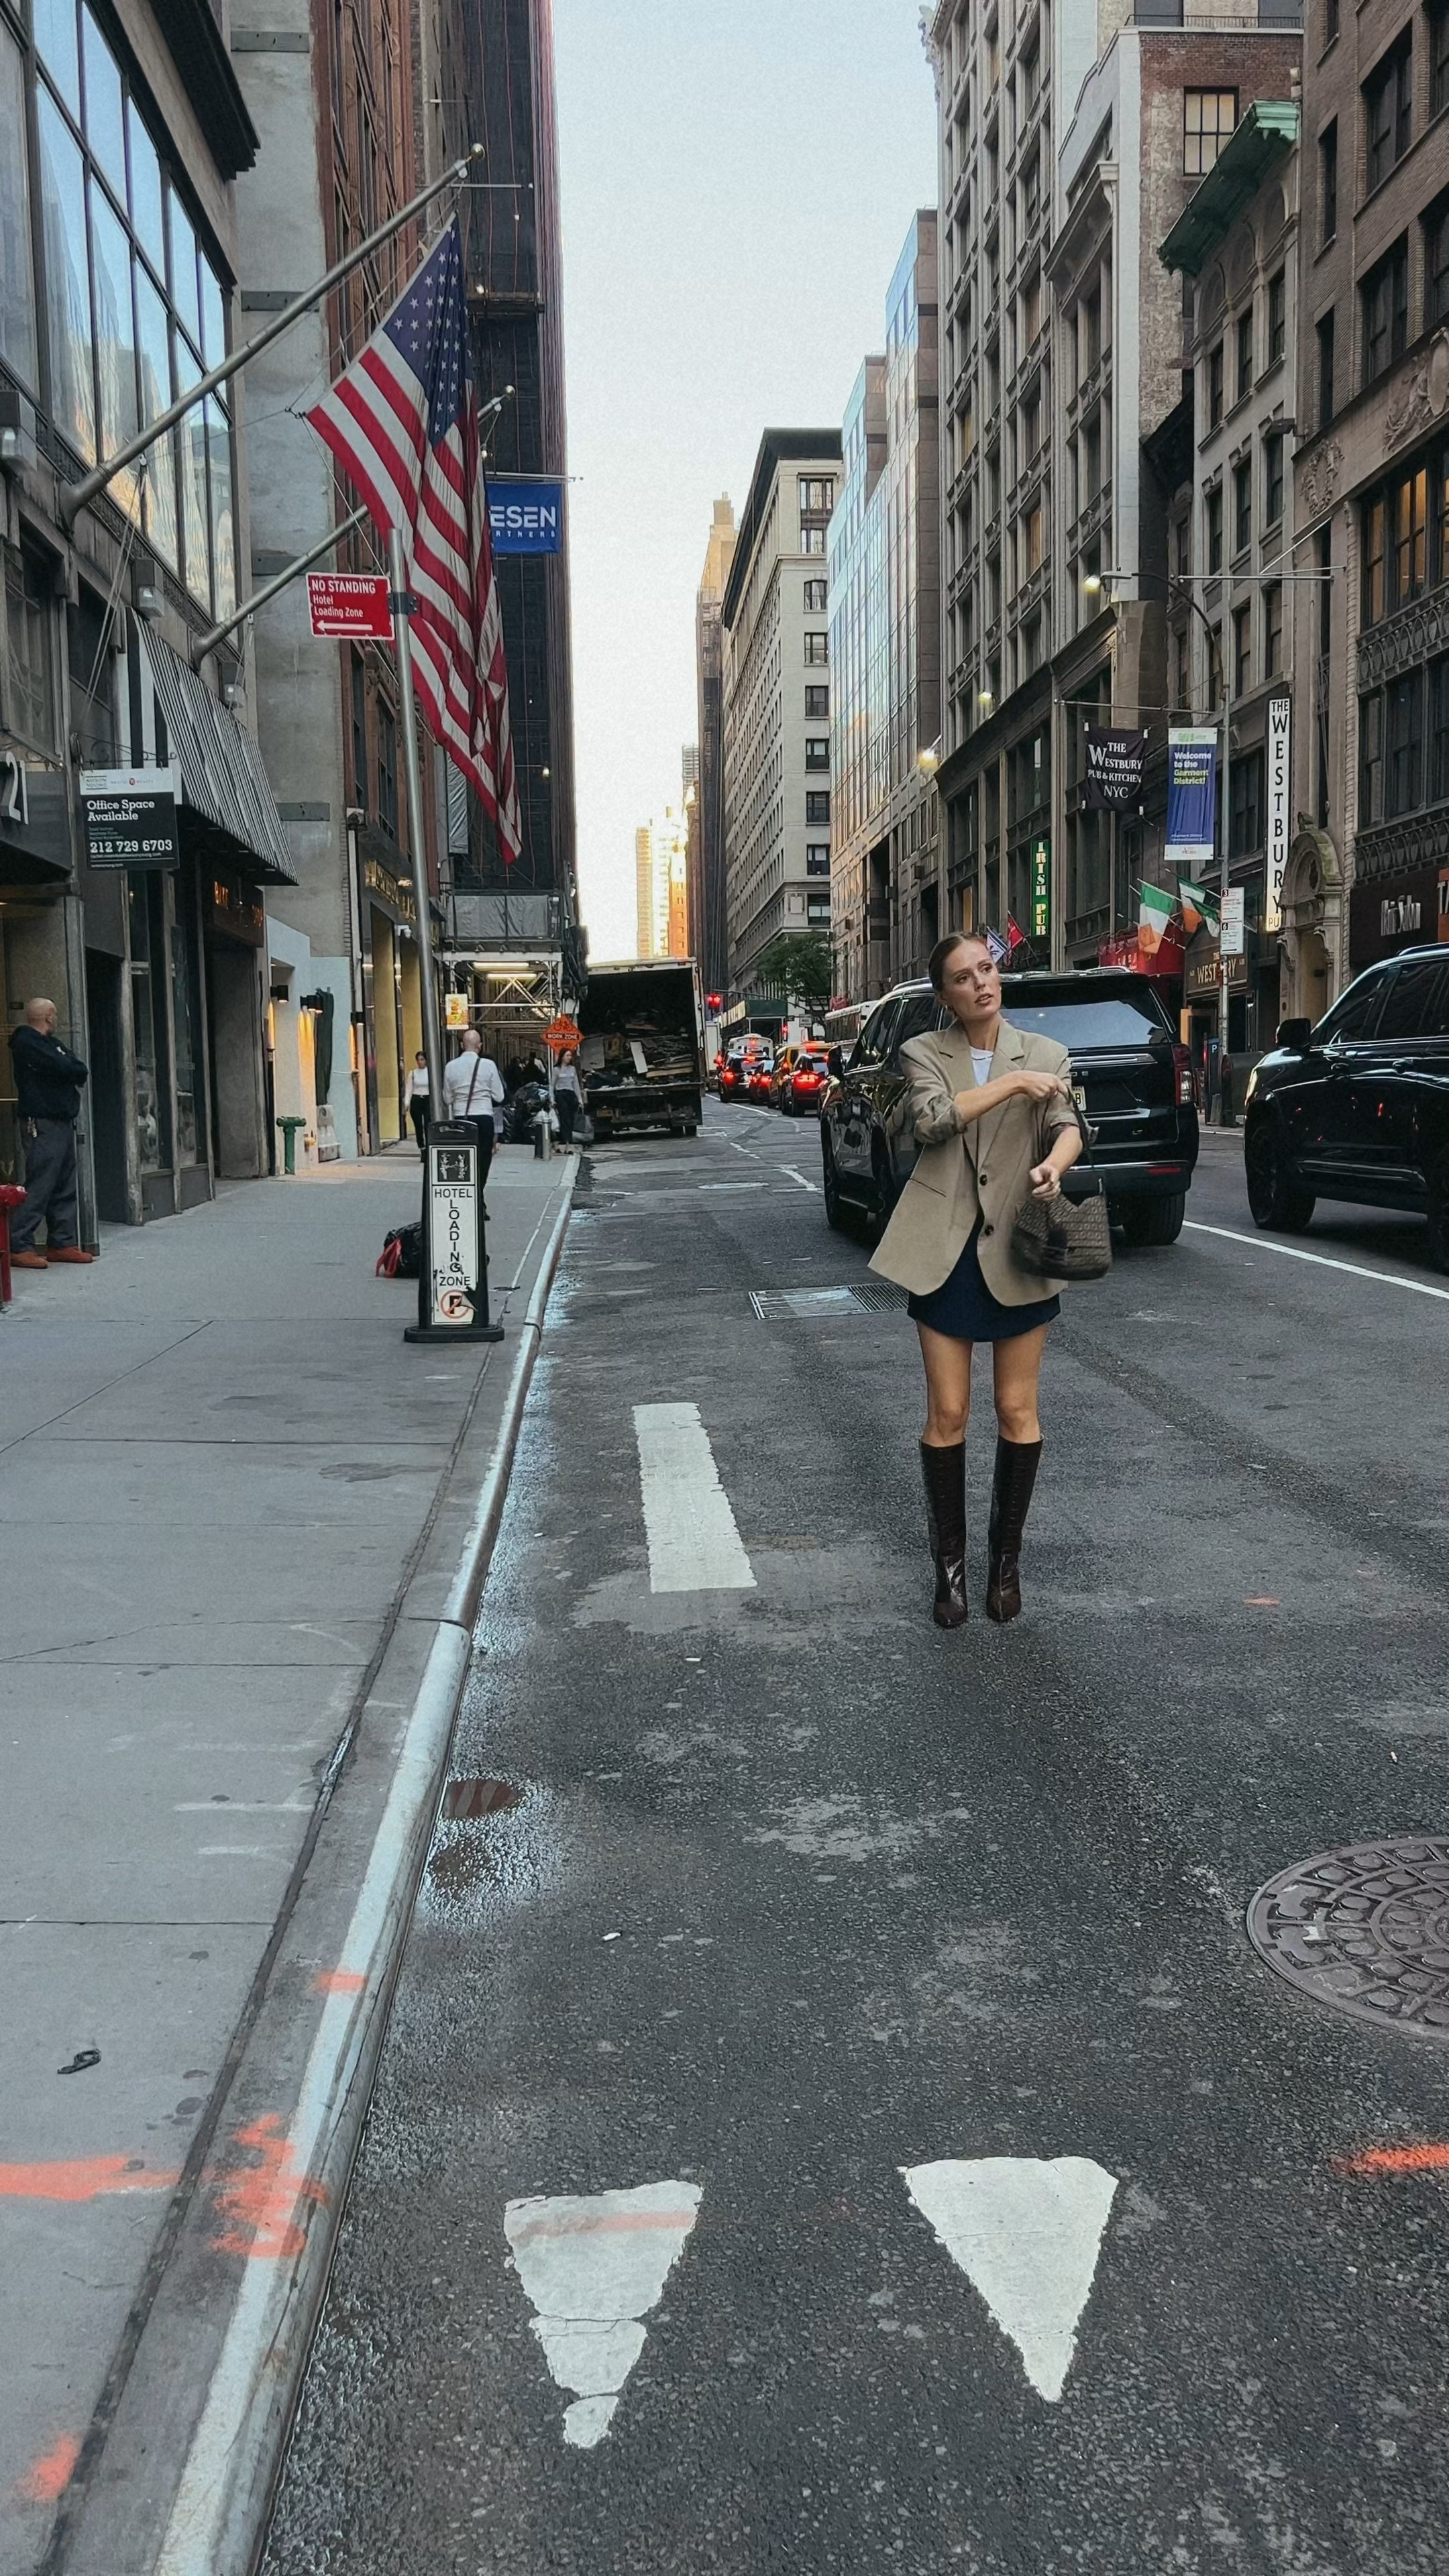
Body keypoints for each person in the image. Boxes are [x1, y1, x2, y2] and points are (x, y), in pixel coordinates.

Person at [870, 930, 1082, 1628]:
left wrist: (1056, 1164)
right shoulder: (924, 1053)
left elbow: (1069, 1121)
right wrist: (1012, 1084)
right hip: (945, 1248)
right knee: (949, 1415)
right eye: (963, 978)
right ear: (945, 996)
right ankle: (951, 1571)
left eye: (987, 969)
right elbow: (931, 1122)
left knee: (1019, 1412)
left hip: (1017, 1248)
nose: (980, 984)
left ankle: (1005, 1564)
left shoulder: (1047, 1053)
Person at [7, 998, 94, 1269]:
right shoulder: (27, 1042)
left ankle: (62, 1242)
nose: (56, 1020)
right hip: (42, 1121)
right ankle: (19, 1244)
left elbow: (79, 1069)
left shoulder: (53, 1044)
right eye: (54, 1014)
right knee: (41, 1182)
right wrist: (64, 1066)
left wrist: (64, 1065)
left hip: (61, 1120)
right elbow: (65, 1067)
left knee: (64, 1183)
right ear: (48, 1016)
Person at [440, 1027, 506, 1191]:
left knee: (463, 1160)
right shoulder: (489, 1065)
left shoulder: (450, 1067)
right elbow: (500, 1096)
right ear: (480, 1046)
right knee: (483, 1159)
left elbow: (447, 1098)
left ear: (462, 1045)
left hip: (461, 1118)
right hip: (484, 1118)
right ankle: (479, 1195)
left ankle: (468, 1196)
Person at [553, 1049, 582, 1149]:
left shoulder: (573, 1069)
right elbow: (552, 1085)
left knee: (571, 1118)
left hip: (571, 1094)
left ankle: (569, 1138)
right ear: (562, 1057)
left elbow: (576, 1084)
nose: (569, 1058)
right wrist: (552, 1099)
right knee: (564, 1117)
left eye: (570, 1056)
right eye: (567, 1055)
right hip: (561, 1094)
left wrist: (580, 1099)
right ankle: (565, 1139)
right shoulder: (556, 1070)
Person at [402, 1051, 430, 1152]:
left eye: (422, 1060)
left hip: (427, 1099)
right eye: (418, 1060)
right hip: (416, 1099)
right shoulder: (413, 1073)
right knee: (418, 1126)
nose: (420, 1062)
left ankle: (428, 1146)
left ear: (426, 1061)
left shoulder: (429, 1073)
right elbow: (409, 1089)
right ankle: (422, 1147)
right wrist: (407, 1102)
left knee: (428, 1124)